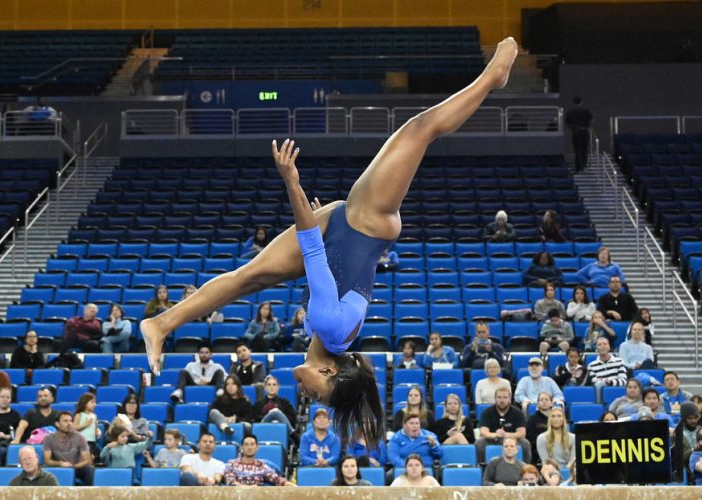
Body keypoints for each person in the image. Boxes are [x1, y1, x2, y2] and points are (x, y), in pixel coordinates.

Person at [139, 39, 520, 449]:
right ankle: (491, 78)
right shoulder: (327, 325)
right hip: (366, 220)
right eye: (316, 396)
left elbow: (327, 262)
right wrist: (292, 182)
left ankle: (161, 323)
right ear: (327, 374)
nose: (307, 396)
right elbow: (311, 248)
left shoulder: (321, 333)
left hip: (339, 231)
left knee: (246, 277)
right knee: (421, 130)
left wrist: (321, 221)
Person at [475, 387, 532, 465]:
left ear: (509, 399)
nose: (502, 400)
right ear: (495, 398)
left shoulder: (518, 413)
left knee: (525, 443)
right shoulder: (487, 412)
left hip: (512, 440)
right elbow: (484, 433)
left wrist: (507, 435)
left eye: (505, 397)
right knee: (479, 443)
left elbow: (522, 433)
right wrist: (496, 435)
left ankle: (526, 468)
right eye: (499, 397)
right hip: (493, 440)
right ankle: (481, 467)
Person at [42, 412, 94, 486]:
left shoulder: (80, 437)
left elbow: (87, 460)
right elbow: (47, 460)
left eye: (71, 421)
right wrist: (60, 463)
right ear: (57, 424)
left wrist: (73, 467)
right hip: (58, 468)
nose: (69, 423)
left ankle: (88, 495)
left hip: (76, 468)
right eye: (65, 421)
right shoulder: (48, 438)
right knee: (44, 468)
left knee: (90, 469)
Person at [223, 434, 295, 486]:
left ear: (257, 448)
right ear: (241, 447)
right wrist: (248, 489)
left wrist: (293, 486)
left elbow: (277, 480)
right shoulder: (232, 464)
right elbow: (230, 482)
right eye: (246, 444)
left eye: (252, 444)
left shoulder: (261, 465)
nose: (249, 447)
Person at [587, 336, 627, 403]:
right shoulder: (591, 366)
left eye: (605, 344)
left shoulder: (619, 362)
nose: (602, 346)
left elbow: (623, 381)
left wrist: (610, 382)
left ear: (609, 347)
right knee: (599, 384)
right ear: (596, 348)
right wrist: (605, 382)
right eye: (599, 344)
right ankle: (600, 406)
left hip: (617, 392)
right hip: (602, 394)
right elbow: (595, 383)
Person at [565, 96, 593, 173]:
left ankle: (578, 168)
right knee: (585, 149)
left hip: (576, 132)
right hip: (584, 131)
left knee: (577, 150)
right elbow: (591, 120)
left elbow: (567, 122)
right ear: (581, 101)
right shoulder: (585, 110)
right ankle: (584, 166)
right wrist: (588, 127)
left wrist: (573, 129)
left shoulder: (570, 111)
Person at [525, 392, 552, 464]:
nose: (544, 401)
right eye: (541, 400)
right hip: (538, 447)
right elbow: (529, 436)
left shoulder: (556, 417)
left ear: (551, 403)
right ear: (537, 403)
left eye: (546, 399)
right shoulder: (532, 419)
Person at [72, 392, 100, 458]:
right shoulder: (79, 415)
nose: (94, 404)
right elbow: (74, 428)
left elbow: (95, 428)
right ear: (85, 403)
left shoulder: (94, 416)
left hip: (92, 442)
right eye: (92, 402)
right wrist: (85, 424)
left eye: (95, 402)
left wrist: (98, 431)